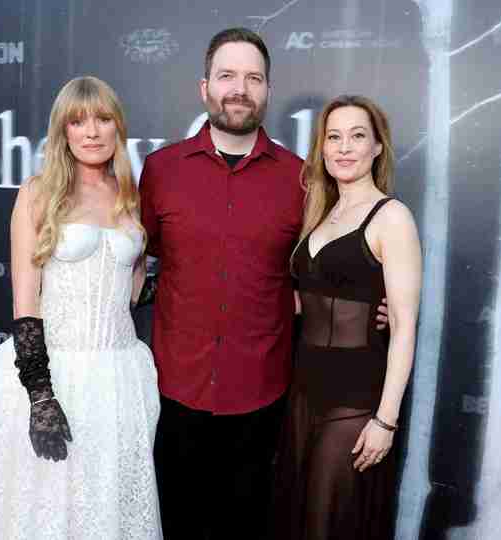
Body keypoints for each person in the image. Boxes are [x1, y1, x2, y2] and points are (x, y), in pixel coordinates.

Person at [139, 29, 387, 540]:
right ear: (203, 87)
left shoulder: (302, 181)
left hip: (262, 397)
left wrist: (374, 308)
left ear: (268, 91)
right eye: (227, 75)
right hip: (174, 392)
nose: (240, 89)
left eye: (253, 78)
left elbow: (325, 267)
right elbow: (136, 260)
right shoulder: (160, 171)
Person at [0, 76, 162, 540]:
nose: (91, 131)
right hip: (52, 375)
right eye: (77, 121)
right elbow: (25, 301)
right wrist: (40, 396)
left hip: (118, 378)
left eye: (103, 119)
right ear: (62, 131)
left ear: (117, 128)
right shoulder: (38, 193)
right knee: (40, 514)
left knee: (102, 512)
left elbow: (130, 292)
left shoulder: (131, 196)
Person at [270, 95, 422, 540]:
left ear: (377, 147)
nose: (344, 147)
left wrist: (386, 420)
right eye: (333, 137)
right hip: (302, 396)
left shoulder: (391, 217)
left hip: (356, 403)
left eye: (357, 136)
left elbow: (405, 326)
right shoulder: (320, 214)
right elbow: (303, 301)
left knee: (328, 523)